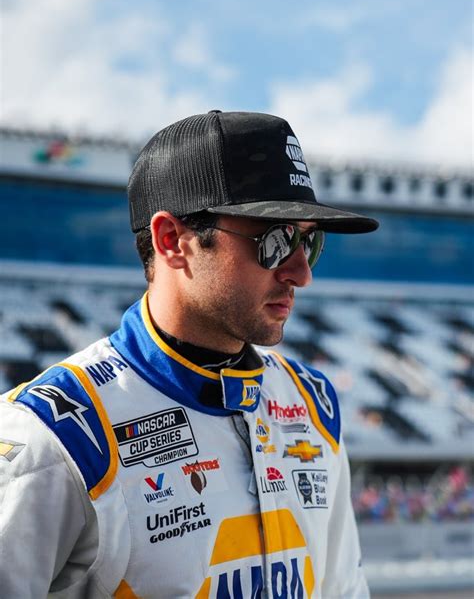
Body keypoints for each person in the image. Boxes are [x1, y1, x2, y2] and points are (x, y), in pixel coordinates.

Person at [0, 110, 378, 598]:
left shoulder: (312, 403)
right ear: (171, 241)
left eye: (309, 241)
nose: (301, 273)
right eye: (276, 241)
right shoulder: (54, 436)